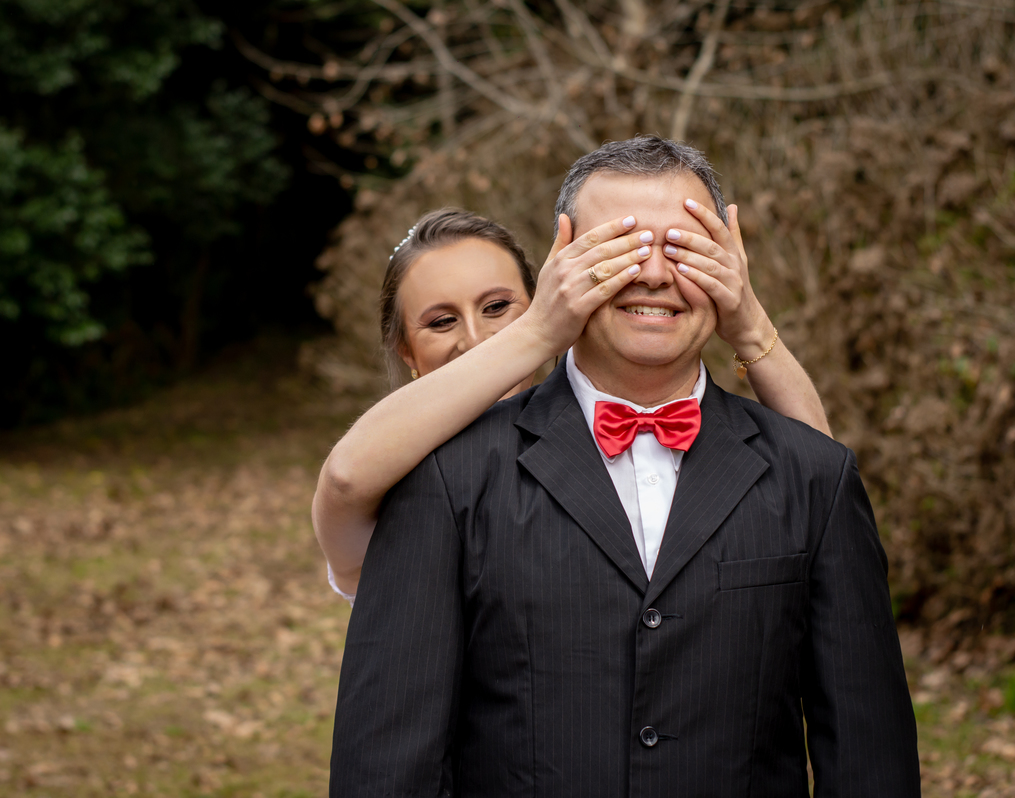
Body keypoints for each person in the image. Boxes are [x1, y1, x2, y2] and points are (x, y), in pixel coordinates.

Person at [329, 135, 919, 796]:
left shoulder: (815, 477)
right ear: (565, 265)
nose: (655, 275)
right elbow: (384, 766)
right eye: (623, 249)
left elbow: (870, 756)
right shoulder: (442, 480)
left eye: (682, 248)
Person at [314, 199, 830, 603]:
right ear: (406, 349)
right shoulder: (399, 479)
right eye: (441, 321)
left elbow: (820, 483)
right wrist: (536, 333)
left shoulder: (610, 427)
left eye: (497, 307)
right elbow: (343, 479)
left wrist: (748, 324)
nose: (475, 339)